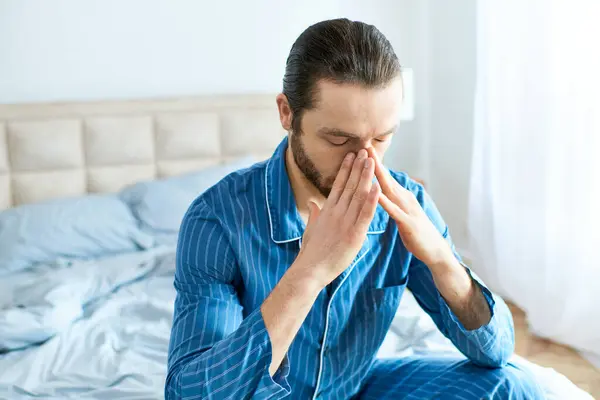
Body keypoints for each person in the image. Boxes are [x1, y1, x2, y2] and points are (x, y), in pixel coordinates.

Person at [165, 18, 544, 399]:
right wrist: (311, 271)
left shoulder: (404, 203)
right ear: (286, 114)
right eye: (338, 139)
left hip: (355, 389)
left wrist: (443, 262)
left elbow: (495, 352)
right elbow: (190, 394)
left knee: (516, 387)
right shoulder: (216, 219)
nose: (365, 160)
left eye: (381, 138)